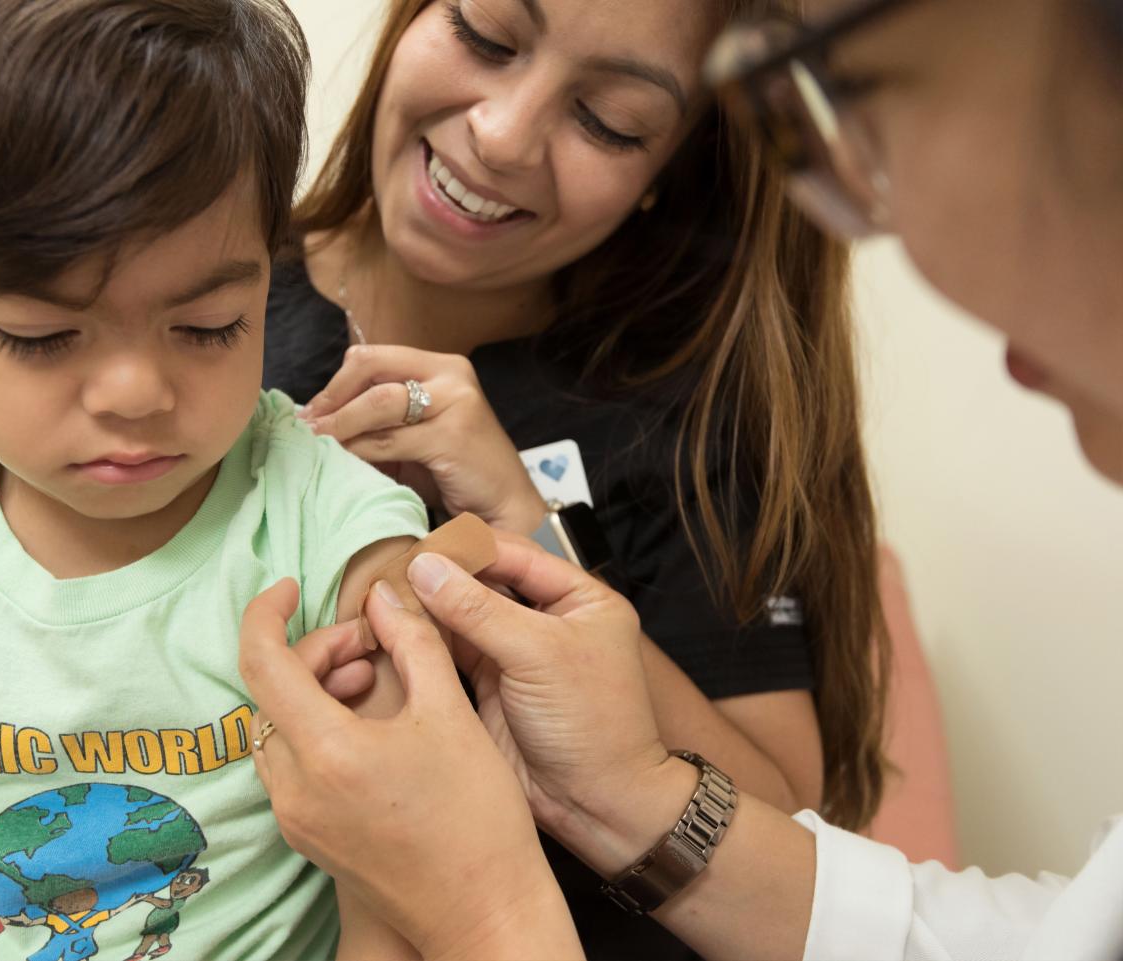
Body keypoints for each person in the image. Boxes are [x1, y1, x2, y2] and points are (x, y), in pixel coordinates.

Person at [239, 0, 1123, 956]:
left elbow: (785, 815)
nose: (499, 136)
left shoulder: (684, 418)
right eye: (486, 34)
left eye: (609, 121)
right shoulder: (205, 307)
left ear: (671, 168)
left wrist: (534, 529)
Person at [0, 1, 431, 959]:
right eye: (42, 335)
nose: (136, 393)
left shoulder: (332, 531)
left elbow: (402, 875)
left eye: (210, 323)